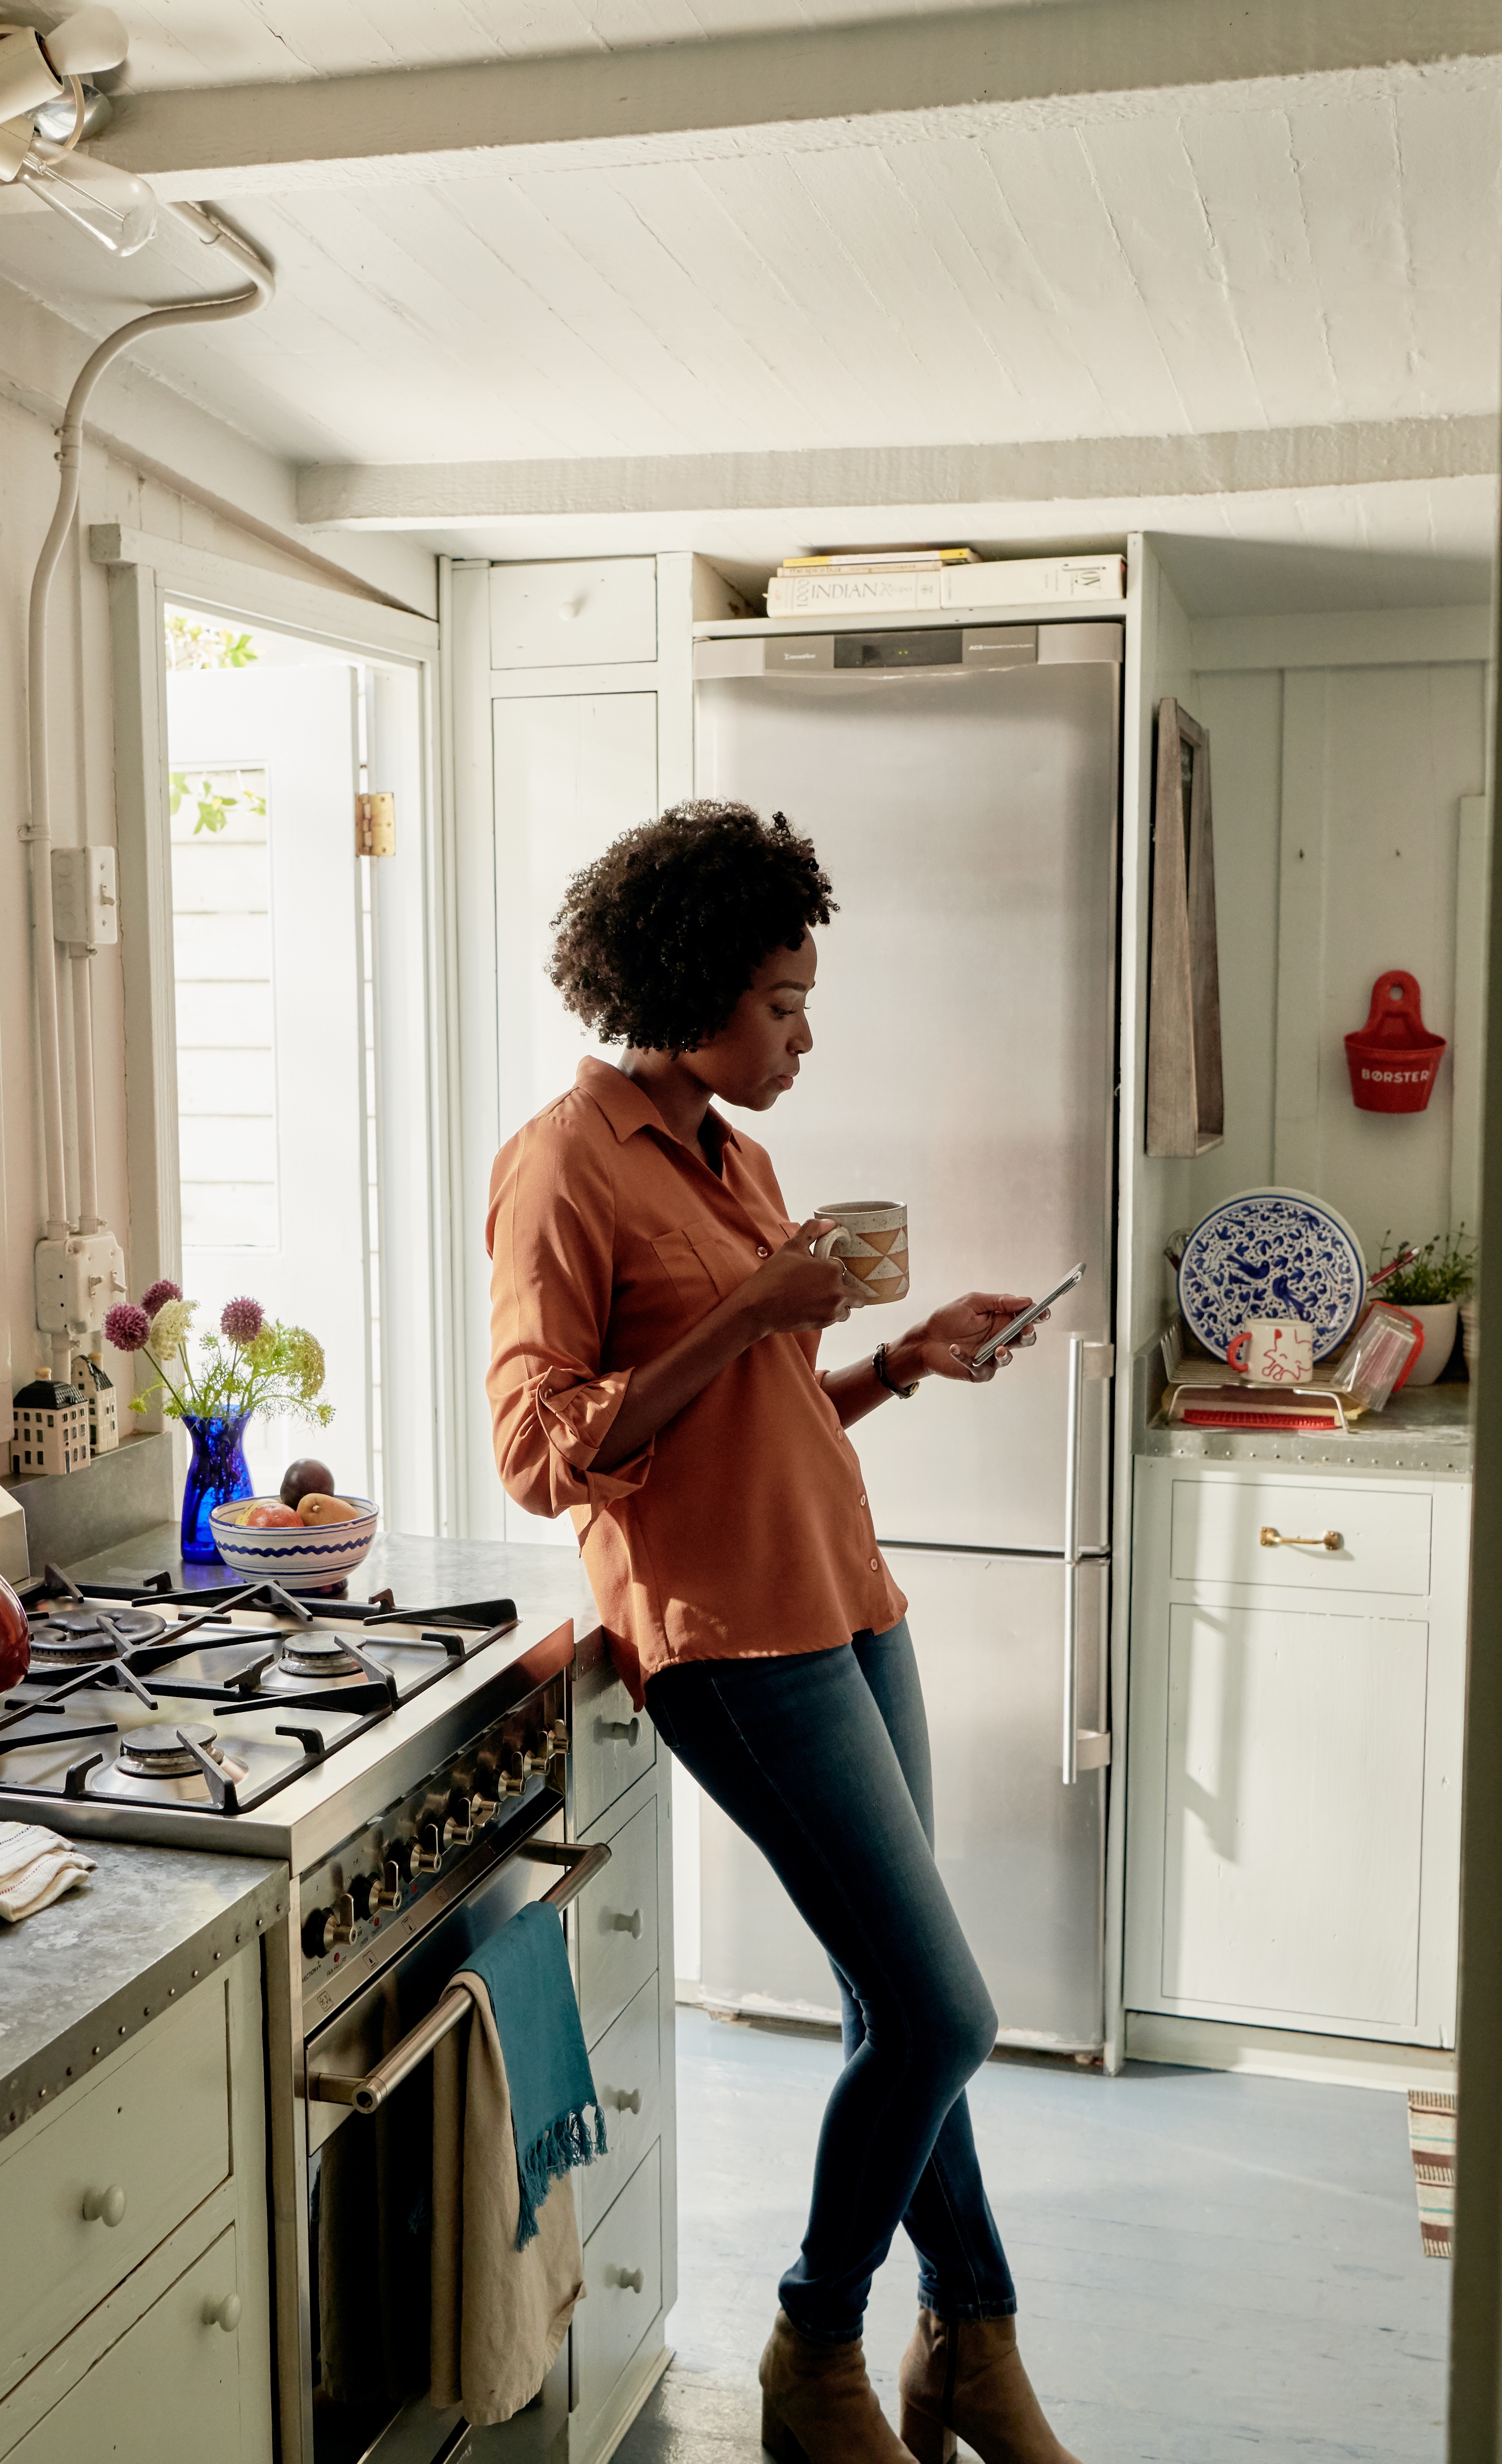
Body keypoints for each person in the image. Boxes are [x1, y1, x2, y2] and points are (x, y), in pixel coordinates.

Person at [485, 801, 1083, 2464]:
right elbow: (545, 1455)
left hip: (849, 1605)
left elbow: (757, 1416)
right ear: (685, 987)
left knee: (897, 2009)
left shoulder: (735, 1159)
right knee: (945, 2016)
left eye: (806, 1002)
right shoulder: (562, 1168)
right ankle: (815, 2350)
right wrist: (753, 1305)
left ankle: (972, 2345)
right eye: (782, 1006)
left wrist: (901, 1364)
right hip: (732, 1646)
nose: (804, 1037)